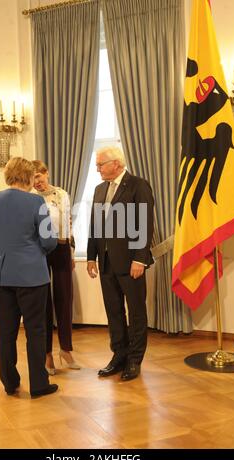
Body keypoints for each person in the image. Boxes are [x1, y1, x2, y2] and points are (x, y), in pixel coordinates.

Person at [0, 157, 58, 398]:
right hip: (31, 276)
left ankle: (10, 382)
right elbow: (49, 242)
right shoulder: (37, 202)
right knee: (35, 330)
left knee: (5, 331)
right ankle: (38, 385)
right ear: (29, 177)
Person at [87, 147, 154, 381]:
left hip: (130, 263)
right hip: (105, 263)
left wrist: (139, 259)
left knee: (136, 312)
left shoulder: (138, 185)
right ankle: (119, 356)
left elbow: (145, 225)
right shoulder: (98, 189)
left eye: (100, 165)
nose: (97, 169)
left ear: (115, 164)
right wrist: (90, 256)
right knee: (113, 312)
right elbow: (94, 224)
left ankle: (134, 360)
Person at [32, 160, 80, 374]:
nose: (37, 182)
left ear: (46, 173)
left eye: (39, 177)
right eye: (32, 178)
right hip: (39, 251)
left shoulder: (62, 194)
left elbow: (68, 223)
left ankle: (66, 349)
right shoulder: (30, 198)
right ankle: (47, 354)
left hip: (61, 249)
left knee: (65, 299)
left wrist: (70, 252)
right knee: (43, 303)